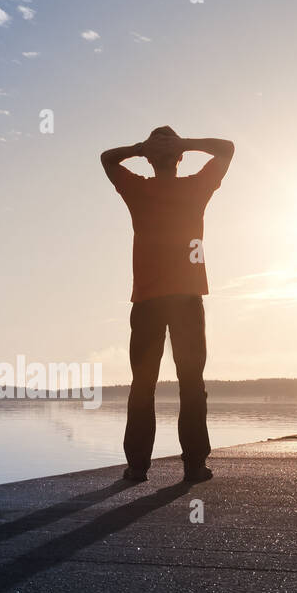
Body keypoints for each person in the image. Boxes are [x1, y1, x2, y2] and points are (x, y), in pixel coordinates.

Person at [100, 126, 234, 483]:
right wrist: (184, 145)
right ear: (178, 158)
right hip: (184, 300)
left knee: (144, 383)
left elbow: (107, 158)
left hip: (149, 301)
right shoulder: (195, 187)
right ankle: (192, 466)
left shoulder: (138, 188)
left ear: (152, 158)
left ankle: (138, 468)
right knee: (190, 382)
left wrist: (139, 147)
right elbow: (227, 148)